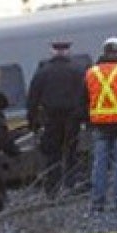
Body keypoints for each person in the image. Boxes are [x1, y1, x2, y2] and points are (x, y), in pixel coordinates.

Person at [28, 40, 87, 198]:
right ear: (68, 52)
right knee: (71, 151)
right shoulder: (78, 70)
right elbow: (86, 96)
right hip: (73, 119)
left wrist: (32, 123)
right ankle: (70, 185)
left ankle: (52, 189)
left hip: (51, 119)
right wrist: (86, 119)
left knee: (52, 154)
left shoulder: (42, 72)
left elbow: (32, 99)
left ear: (52, 52)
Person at [85, 36, 117, 212]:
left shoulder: (91, 73)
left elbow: (85, 99)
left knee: (100, 164)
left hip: (100, 125)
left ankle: (97, 202)